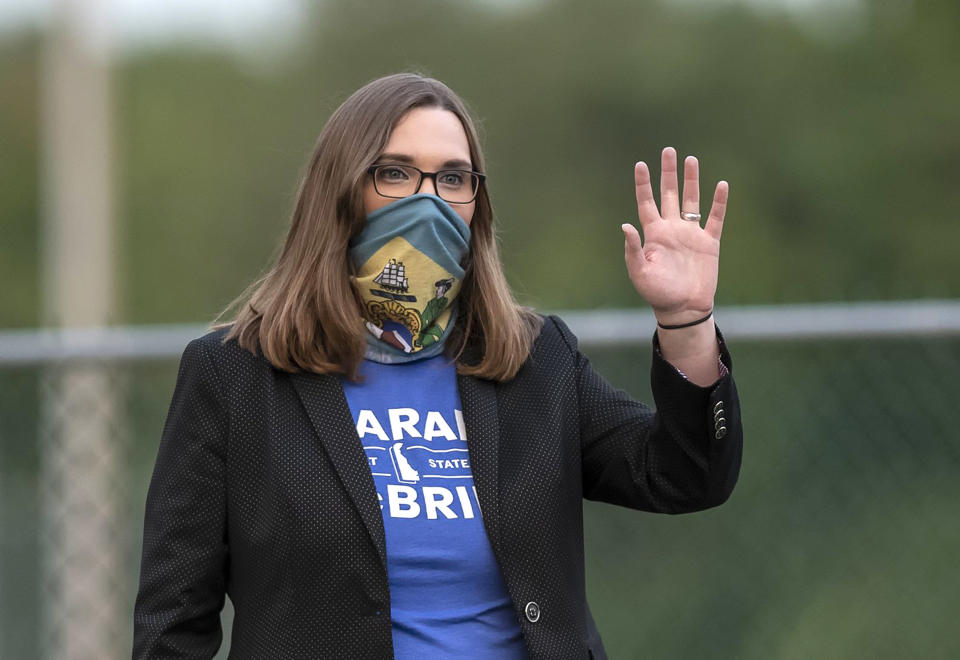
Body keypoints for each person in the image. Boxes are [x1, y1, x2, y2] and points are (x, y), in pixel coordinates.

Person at [132, 72, 742, 660]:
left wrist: (686, 320)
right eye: (395, 173)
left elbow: (684, 474)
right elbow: (173, 622)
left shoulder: (536, 361)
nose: (430, 202)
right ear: (339, 193)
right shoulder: (234, 376)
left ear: (478, 204)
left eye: (453, 178)